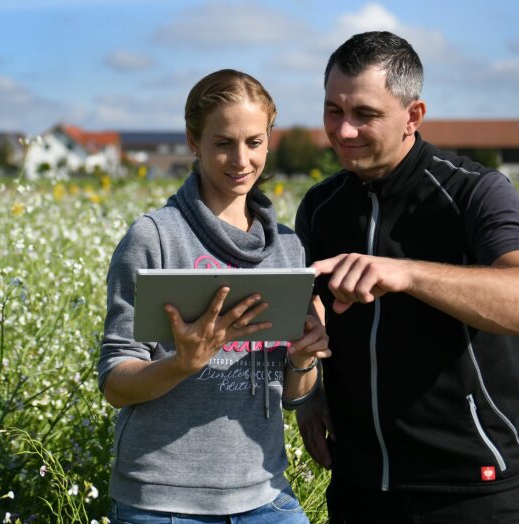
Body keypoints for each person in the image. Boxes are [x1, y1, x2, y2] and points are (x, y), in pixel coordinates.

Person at [295, 31, 519, 523]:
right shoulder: (320, 206)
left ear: (413, 116)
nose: (344, 130)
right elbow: (309, 313)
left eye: (365, 114)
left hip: (474, 491)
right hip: (360, 488)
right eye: (333, 110)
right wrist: (310, 392)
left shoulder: (475, 192)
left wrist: (407, 273)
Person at [98, 69, 329, 523]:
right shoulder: (155, 237)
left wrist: (304, 358)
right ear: (193, 141)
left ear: (268, 140)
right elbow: (115, 383)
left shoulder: (287, 248)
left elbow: (293, 395)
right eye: (223, 143)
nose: (240, 159)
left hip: (265, 494)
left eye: (254, 142)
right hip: (163, 502)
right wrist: (183, 362)